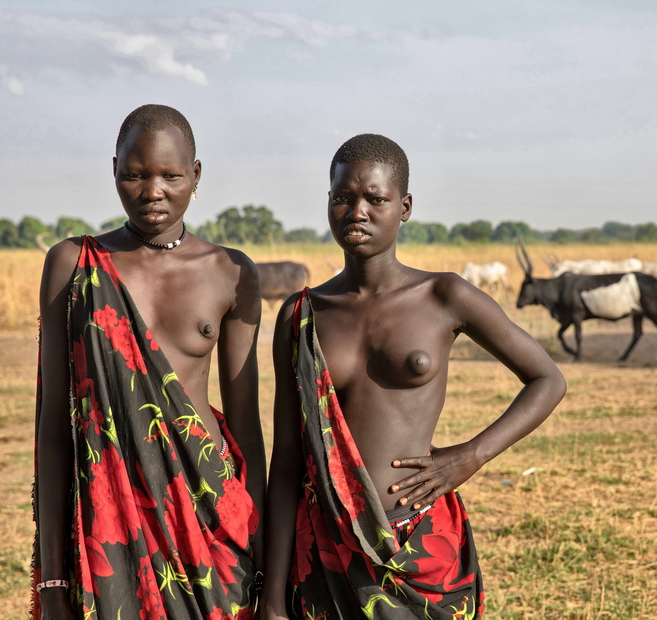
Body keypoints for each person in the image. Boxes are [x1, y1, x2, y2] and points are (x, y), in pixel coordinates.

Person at [259, 134, 566, 619]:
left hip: (419, 541)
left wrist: (471, 455)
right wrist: (274, 597)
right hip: (326, 547)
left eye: (375, 199)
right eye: (342, 197)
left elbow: (547, 379)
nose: (357, 212)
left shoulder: (444, 296)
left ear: (404, 207)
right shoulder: (301, 315)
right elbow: (287, 464)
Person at [32, 104, 266, 619]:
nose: (152, 191)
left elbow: (247, 430)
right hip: (110, 521)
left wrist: (266, 556)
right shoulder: (73, 264)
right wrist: (51, 578)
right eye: (135, 175)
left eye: (171, 176)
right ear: (114, 169)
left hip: (210, 513)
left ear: (196, 174)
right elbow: (53, 427)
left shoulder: (230, 272)